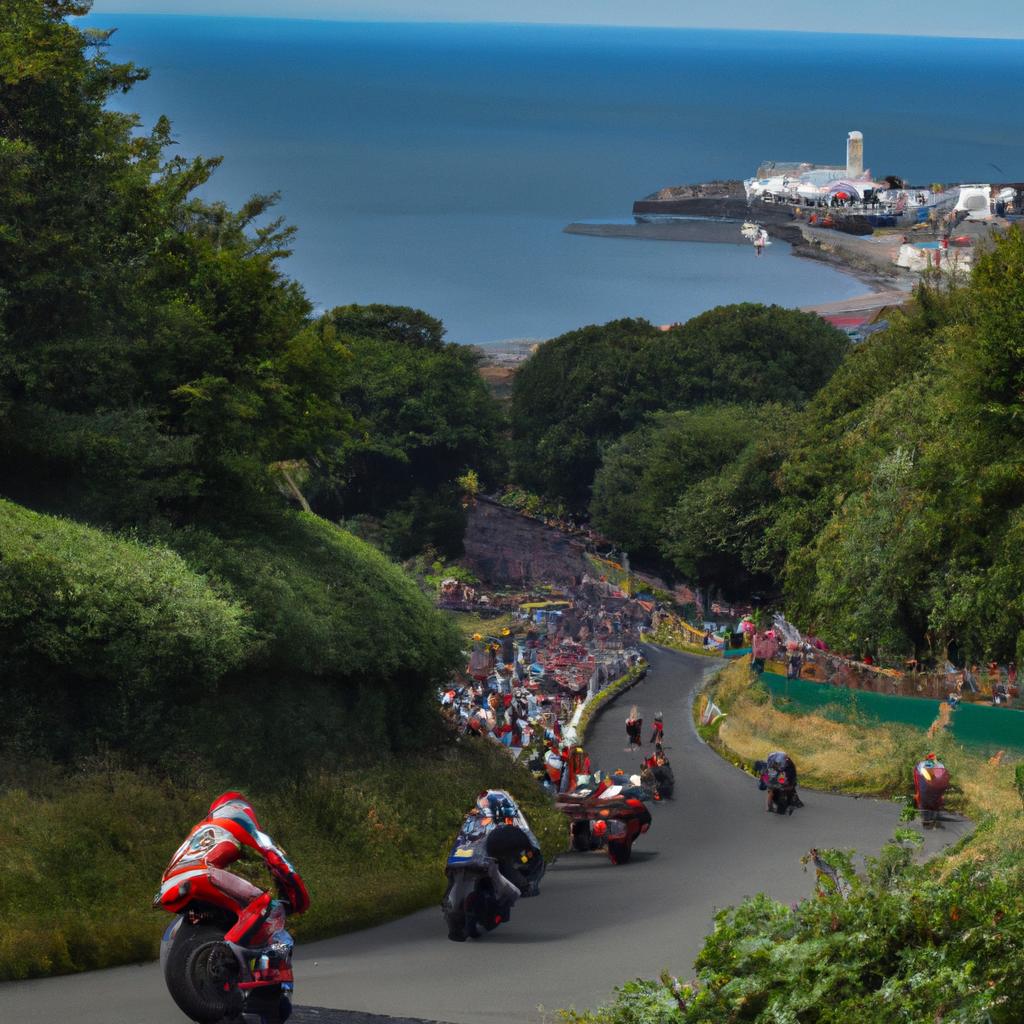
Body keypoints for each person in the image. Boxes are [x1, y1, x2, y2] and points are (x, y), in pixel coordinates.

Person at [160, 792, 309, 921]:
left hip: (168, 887)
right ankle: (235, 948)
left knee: (206, 917)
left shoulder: (198, 830)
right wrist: (300, 901)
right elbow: (276, 859)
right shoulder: (238, 823)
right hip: (202, 874)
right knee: (264, 906)